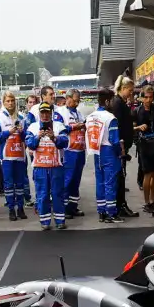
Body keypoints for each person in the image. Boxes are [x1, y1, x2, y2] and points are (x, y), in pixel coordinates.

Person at [23, 102, 69, 230]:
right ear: (39, 114)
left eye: (47, 112)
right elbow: (30, 144)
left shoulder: (59, 126)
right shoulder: (32, 127)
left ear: (51, 113)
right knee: (42, 195)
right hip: (40, 167)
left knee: (57, 193)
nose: (44, 115)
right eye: (42, 112)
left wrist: (54, 137)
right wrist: (38, 137)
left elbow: (65, 142)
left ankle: (60, 220)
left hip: (56, 167)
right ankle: (45, 221)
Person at [0, 92, 28, 222]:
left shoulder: (22, 117)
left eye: (12, 100)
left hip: (20, 155)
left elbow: (27, 138)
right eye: (8, 101)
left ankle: (21, 208)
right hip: (6, 157)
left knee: (20, 183)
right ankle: (11, 209)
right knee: (9, 184)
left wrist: (22, 132)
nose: (10, 103)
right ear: (3, 102)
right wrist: (8, 132)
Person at [87, 88, 123, 224]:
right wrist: (120, 153)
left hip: (97, 152)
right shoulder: (111, 118)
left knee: (100, 182)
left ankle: (101, 211)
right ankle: (111, 213)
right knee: (110, 183)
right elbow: (115, 140)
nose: (114, 103)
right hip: (109, 153)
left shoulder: (91, 116)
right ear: (107, 101)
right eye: (112, 100)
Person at [55, 90, 86, 219]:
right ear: (67, 98)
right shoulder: (60, 112)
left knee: (76, 180)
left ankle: (73, 207)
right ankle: (64, 208)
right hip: (68, 151)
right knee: (67, 180)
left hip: (80, 150)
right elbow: (58, 129)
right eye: (74, 100)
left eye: (78, 100)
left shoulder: (79, 113)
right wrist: (74, 127)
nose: (76, 103)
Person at [132, 85, 154, 214]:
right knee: (147, 174)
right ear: (142, 98)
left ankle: (152, 201)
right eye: (146, 97)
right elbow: (131, 128)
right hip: (144, 145)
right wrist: (139, 127)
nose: (149, 100)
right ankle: (146, 203)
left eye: (151, 97)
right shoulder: (136, 111)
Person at [113, 77, 139, 218]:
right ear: (123, 88)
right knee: (120, 177)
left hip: (124, 145)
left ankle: (120, 204)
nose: (131, 93)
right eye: (129, 90)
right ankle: (120, 205)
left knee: (121, 177)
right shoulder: (117, 103)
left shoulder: (121, 102)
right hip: (120, 147)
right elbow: (117, 127)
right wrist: (121, 146)